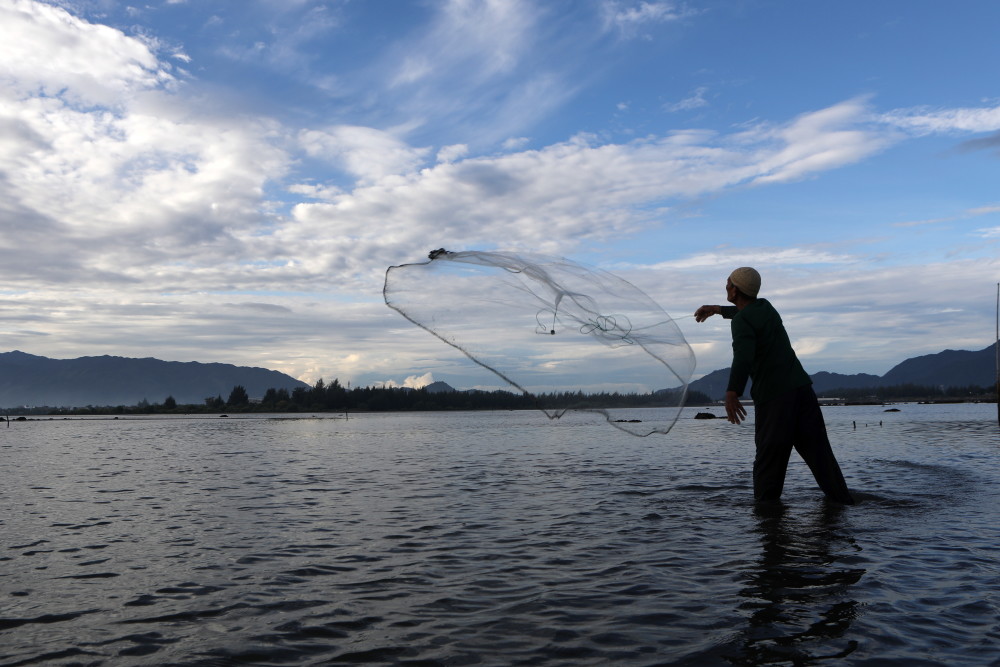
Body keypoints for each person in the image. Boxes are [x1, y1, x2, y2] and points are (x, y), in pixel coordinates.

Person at [695, 267, 854, 505]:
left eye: (728, 284)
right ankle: (844, 505)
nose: (725, 287)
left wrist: (732, 392)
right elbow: (746, 312)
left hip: (775, 398)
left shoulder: (741, 322)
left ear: (735, 290)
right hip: (802, 390)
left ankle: (767, 523)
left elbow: (743, 357)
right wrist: (717, 310)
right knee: (821, 458)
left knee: (768, 462)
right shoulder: (766, 307)